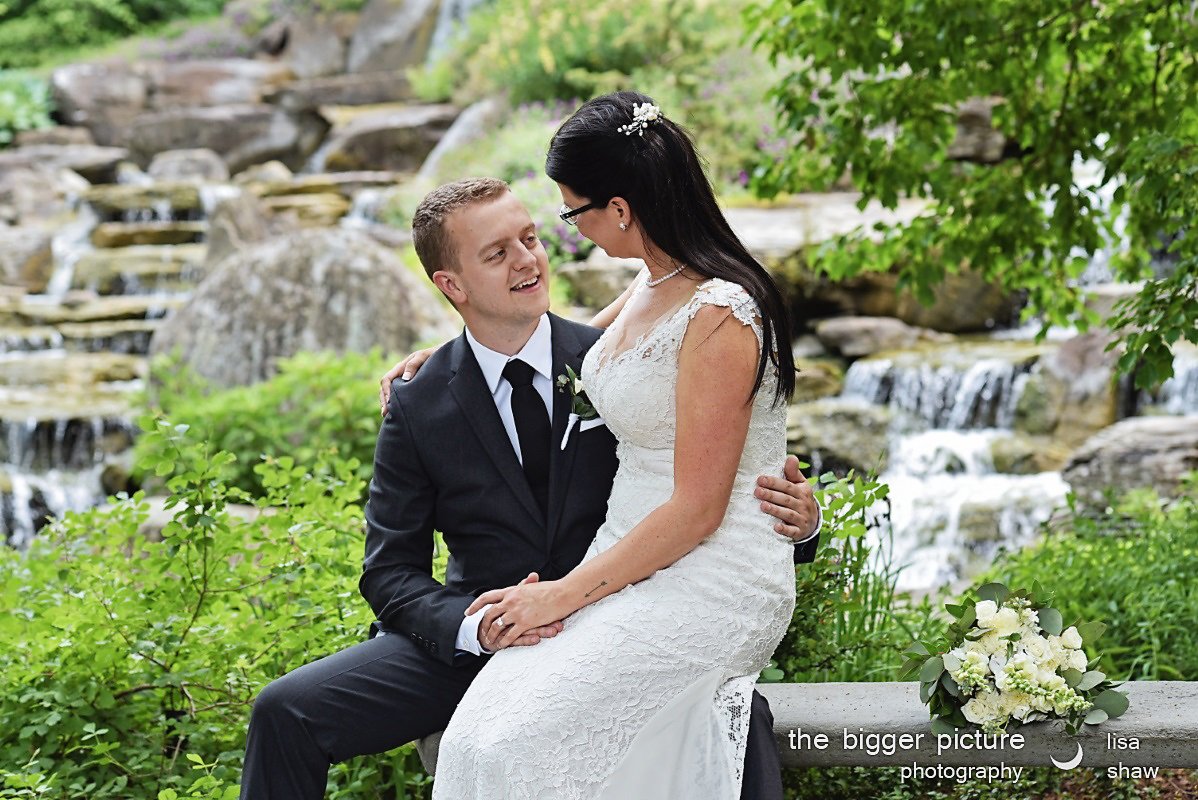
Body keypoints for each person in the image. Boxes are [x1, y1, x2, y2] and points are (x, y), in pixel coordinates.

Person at [238, 175, 820, 800]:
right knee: (283, 711)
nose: (527, 260)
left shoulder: (616, 365)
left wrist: (804, 522)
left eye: (531, 239)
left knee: (725, 719)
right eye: (497, 253)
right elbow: (389, 574)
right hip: (475, 638)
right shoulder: (418, 401)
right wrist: (475, 627)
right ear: (451, 285)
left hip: (612, 622)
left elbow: (710, 486)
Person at [426, 92, 804, 799]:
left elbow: (698, 510)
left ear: (621, 210)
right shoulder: (652, 284)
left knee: (519, 743)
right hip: (626, 557)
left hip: (711, 575)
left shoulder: (721, 313)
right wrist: (439, 356)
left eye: (573, 213)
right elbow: (558, 348)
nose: (572, 230)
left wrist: (560, 598)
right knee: (475, 734)